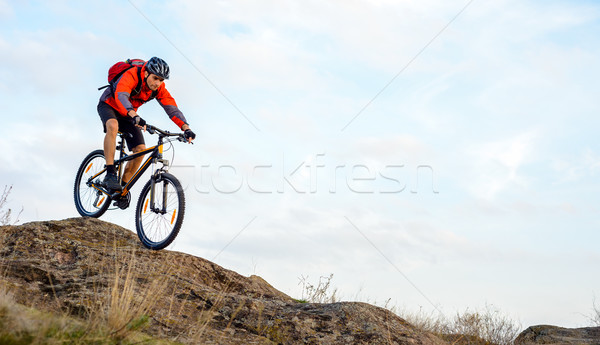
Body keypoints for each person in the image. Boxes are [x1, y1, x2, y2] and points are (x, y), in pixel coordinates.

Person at [97, 57, 195, 191]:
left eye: (161, 80)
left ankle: (122, 189)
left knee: (141, 150)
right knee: (113, 125)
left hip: (129, 114)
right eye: (155, 78)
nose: (158, 83)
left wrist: (186, 128)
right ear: (146, 73)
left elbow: (171, 107)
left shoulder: (159, 89)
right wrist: (134, 116)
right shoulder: (132, 75)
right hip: (109, 105)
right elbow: (121, 96)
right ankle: (110, 173)